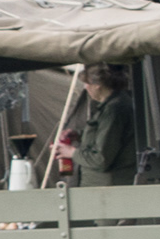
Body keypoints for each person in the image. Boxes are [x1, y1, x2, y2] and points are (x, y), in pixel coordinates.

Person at [57, 63, 141, 191]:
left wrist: (71, 152)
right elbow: (110, 139)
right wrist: (80, 135)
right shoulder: (116, 104)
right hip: (104, 187)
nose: (85, 87)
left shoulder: (113, 110)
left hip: (107, 188)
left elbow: (101, 159)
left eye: (87, 83)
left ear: (97, 85)